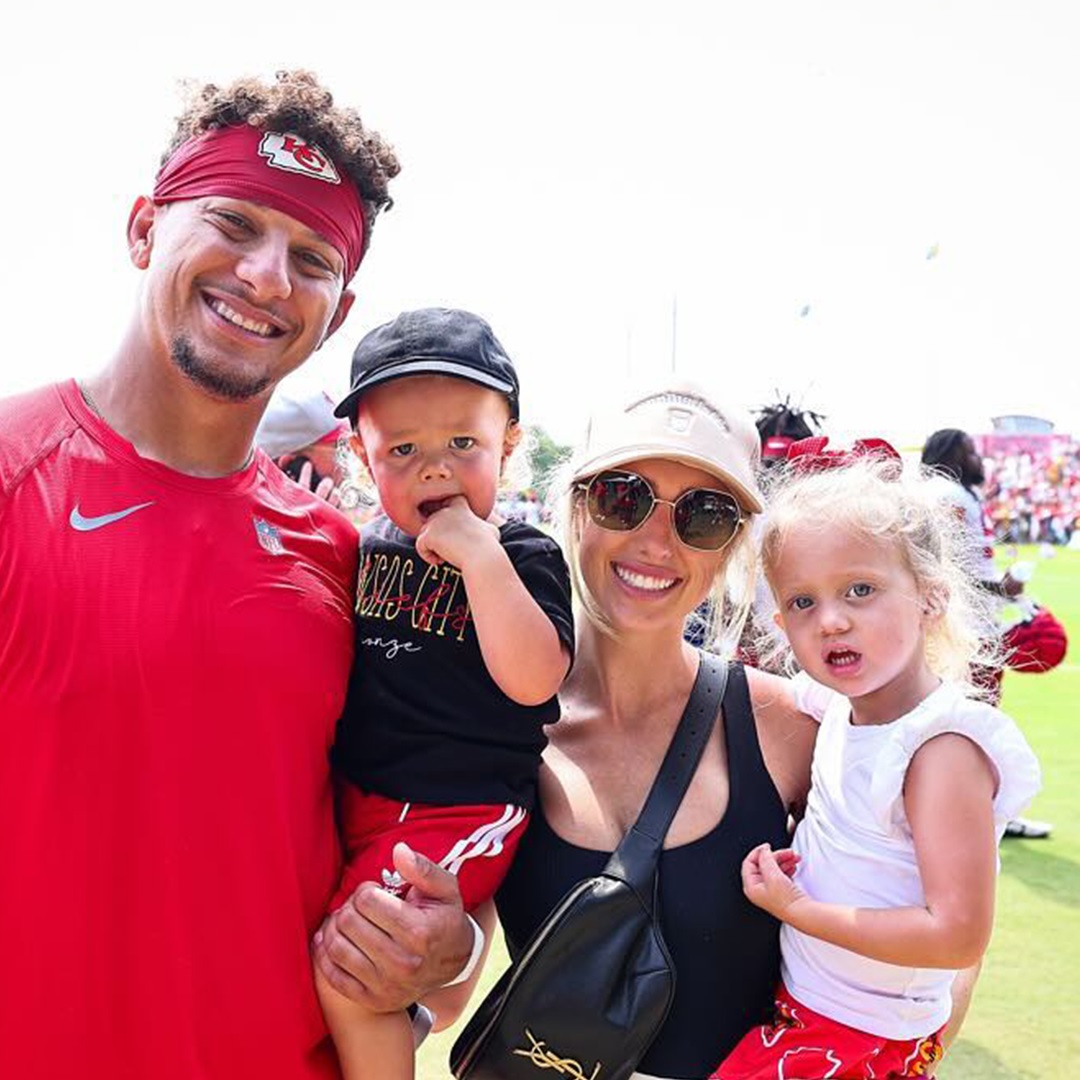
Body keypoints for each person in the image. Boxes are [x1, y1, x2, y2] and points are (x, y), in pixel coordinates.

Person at [0, 71, 475, 1080]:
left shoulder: (351, 565)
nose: (266, 276)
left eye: (310, 258)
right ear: (143, 230)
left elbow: (403, 845)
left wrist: (447, 946)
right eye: (233, 223)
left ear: (338, 313)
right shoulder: (12, 478)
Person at [493, 380, 823, 1078]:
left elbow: (927, 953)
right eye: (624, 496)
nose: (655, 541)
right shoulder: (495, 722)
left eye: (704, 515)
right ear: (577, 508)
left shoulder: (790, 728)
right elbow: (454, 967)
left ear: (732, 545)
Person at [712, 444, 1041, 1079]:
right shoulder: (846, 708)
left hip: (859, 1039)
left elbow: (957, 934)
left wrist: (797, 909)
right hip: (811, 1013)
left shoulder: (938, 748)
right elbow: (753, 687)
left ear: (930, 596)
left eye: (859, 590)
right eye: (803, 603)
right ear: (780, 621)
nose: (831, 620)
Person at [317, 308, 575, 1080]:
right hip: (363, 803)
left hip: (457, 807)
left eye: (463, 443)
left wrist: (481, 559)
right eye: (403, 449)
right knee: (343, 965)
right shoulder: (365, 548)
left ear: (510, 444)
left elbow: (534, 679)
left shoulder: (524, 553)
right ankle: (413, 1022)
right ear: (364, 458)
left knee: (352, 978)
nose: (435, 467)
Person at [922, 428, 1052, 839]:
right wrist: (1005, 588)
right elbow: (956, 570)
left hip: (955, 623)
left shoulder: (940, 492)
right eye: (970, 450)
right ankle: (987, 813)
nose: (978, 457)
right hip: (967, 627)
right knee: (977, 721)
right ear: (952, 453)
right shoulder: (951, 496)